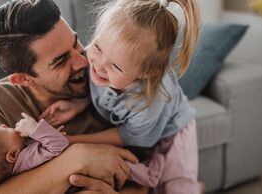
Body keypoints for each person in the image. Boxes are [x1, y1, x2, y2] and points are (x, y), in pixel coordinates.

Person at [0, 0, 146, 193]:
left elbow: (157, 161)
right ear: (23, 79)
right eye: (61, 61)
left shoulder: (112, 69)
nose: (83, 62)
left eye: (76, 44)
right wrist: (75, 158)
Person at [44, 0, 201, 193]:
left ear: (146, 73)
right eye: (98, 48)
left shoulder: (149, 102)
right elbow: (101, 86)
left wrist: (73, 140)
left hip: (173, 134)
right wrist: (78, 104)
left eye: (116, 66)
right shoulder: (98, 64)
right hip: (146, 130)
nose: (98, 66)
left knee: (177, 187)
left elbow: (127, 136)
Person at [0, 113, 68, 192]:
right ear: (12, 155)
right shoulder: (27, 160)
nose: (4, 125)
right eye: (4, 130)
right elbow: (61, 145)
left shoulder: (20, 158)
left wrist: (47, 136)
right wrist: (36, 129)